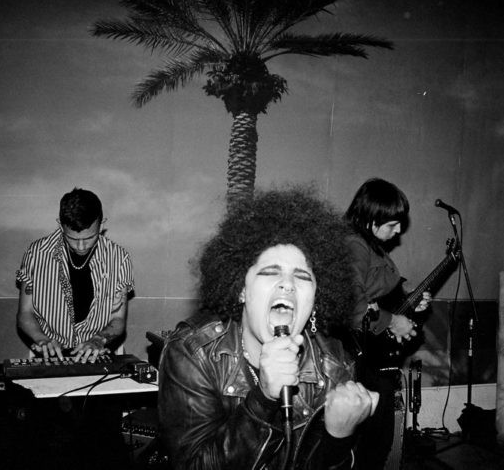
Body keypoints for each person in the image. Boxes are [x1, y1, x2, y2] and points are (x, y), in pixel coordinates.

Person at [157, 187, 379, 469]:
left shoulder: (333, 364)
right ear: (241, 290)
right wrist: (263, 399)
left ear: (316, 299)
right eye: (270, 273)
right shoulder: (193, 352)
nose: (287, 284)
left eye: (302, 276)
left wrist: (338, 436)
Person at [344, 178, 430, 470]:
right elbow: (352, 304)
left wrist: (409, 298)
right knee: (374, 441)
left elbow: (378, 291)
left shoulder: (372, 247)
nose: (398, 231)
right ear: (371, 220)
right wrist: (393, 321)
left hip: (372, 358)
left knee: (379, 439)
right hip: (359, 360)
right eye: (392, 224)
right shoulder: (354, 246)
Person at [16, 187, 134, 362]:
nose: (81, 246)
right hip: (49, 356)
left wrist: (97, 340)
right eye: (72, 238)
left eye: (89, 238)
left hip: (98, 355)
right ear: (60, 225)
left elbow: (118, 319)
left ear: (102, 225)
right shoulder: (36, 254)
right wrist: (42, 339)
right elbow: (25, 314)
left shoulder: (118, 258)